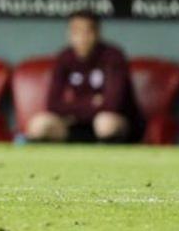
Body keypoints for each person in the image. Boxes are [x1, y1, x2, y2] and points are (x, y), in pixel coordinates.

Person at [25, 10, 141, 144]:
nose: (81, 37)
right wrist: (92, 102)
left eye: (87, 32)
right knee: (39, 124)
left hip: (116, 125)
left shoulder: (113, 56)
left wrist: (72, 107)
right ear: (69, 34)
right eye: (75, 32)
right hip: (76, 124)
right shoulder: (65, 57)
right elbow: (52, 104)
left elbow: (112, 105)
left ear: (97, 33)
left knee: (104, 122)